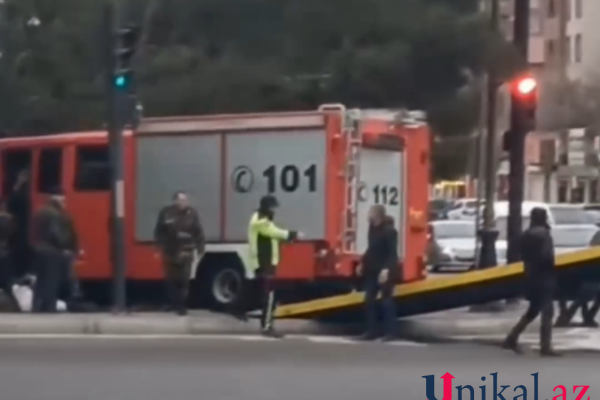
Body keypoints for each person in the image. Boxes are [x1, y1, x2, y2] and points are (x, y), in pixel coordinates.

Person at [503, 207, 559, 357]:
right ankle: (545, 346)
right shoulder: (544, 235)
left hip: (530, 275)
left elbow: (520, 254)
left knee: (533, 310)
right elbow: (547, 256)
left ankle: (512, 337)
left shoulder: (526, 234)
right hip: (544, 276)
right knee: (547, 311)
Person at [247, 195, 302, 338]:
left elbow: (273, 236)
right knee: (269, 295)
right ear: (266, 207)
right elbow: (273, 232)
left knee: (269, 295)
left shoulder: (262, 219)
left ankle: (267, 325)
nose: (274, 211)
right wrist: (292, 234)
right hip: (263, 262)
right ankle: (267, 327)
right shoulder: (260, 221)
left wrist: (286, 239)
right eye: (272, 208)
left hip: (267, 262)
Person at [154, 191, 205, 316]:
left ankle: (182, 306)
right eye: (181, 200)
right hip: (170, 251)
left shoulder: (192, 213)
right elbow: (159, 231)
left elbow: (198, 232)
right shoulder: (166, 213)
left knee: (184, 280)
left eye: (185, 200)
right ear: (175, 201)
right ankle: (173, 303)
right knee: (171, 280)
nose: (184, 203)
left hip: (186, 251)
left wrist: (200, 249)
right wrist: (158, 248)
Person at [357, 205, 399, 341]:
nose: (368, 215)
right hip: (373, 270)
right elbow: (371, 248)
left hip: (385, 271)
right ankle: (371, 331)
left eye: (370, 212)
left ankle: (390, 332)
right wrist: (362, 263)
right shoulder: (372, 229)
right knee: (369, 299)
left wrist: (386, 270)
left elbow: (392, 254)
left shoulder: (389, 231)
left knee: (386, 301)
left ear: (377, 215)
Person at [31, 190, 74, 313]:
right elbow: (55, 234)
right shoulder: (55, 214)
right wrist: (65, 246)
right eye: (64, 201)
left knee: (40, 280)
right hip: (52, 252)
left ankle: (36, 307)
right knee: (52, 281)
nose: (65, 204)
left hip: (39, 249)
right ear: (58, 200)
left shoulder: (40, 211)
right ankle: (49, 307)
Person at [0, 198, 21, 311]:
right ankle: (14, 306)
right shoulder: (10, 219)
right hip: (5, 253)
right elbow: (14, 235)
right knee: (8, 284)